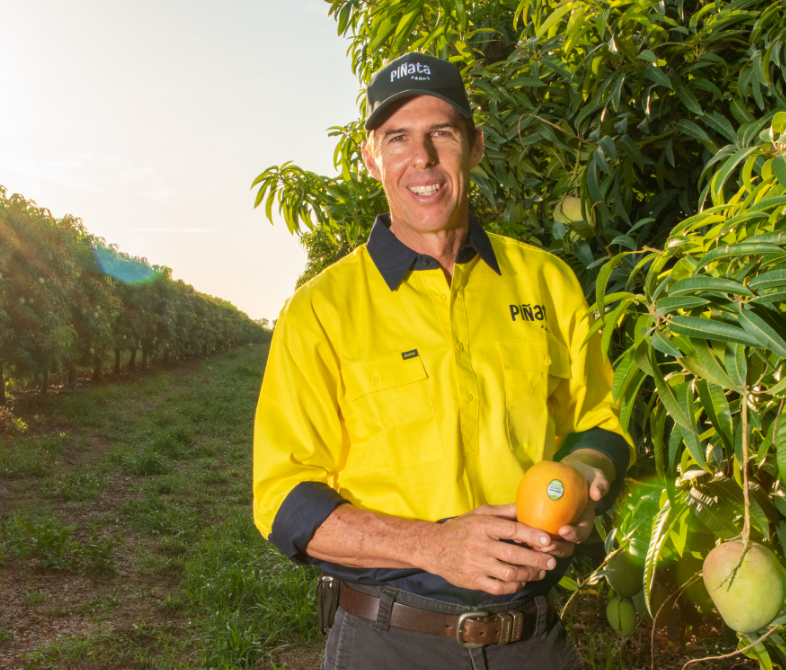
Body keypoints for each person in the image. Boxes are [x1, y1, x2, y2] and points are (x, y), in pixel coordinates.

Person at [253, 52, 631, 670]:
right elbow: (282, 501)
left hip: (531, 635)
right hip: (387, 637)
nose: (421, 158)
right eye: (397, 137)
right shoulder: (320, 310)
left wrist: (584, 480)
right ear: (372, 157)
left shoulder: (547, 282)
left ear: (475, 147)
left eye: (442, 134)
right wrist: (433, 546)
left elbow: (599, 422)